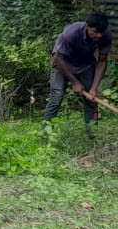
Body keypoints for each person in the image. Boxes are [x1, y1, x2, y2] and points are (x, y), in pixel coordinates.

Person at [44, 10, 112, 139]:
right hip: (62, 64)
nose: (99, 35)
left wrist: (93, 88)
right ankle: (46, 134)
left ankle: (92, 136)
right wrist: (75, 82)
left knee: (91, 100)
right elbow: (58, 58)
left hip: (85, 64)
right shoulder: (70, 34)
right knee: (56, 97)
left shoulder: (105, 36)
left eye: (101, 32)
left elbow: (102, 61)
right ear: (87, 27)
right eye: (95, 32)